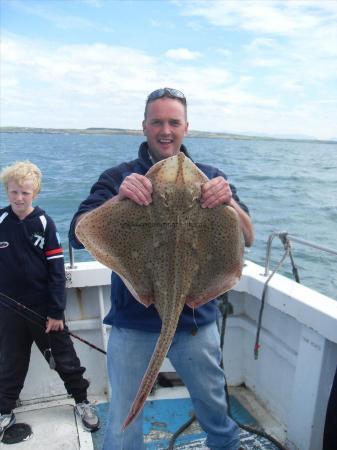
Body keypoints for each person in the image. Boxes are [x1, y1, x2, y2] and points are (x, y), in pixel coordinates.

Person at [69, 87, 254, 450]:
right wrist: (119, 199)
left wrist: (229, 203)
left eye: (174, 122)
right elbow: (79, 233)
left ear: (186, 127)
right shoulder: (118, 177)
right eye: (157, 122)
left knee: (214, 406)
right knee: (124, 417)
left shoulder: (212, 176)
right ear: (144, 126)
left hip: (196, 322)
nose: (165, 130)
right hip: (133, 322)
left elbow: (247, 237)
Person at [0, 161, 100, 441]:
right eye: (14, 192)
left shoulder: (44, 223)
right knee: (10, 363)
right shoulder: (1, 222)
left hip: (45, 311)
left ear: (36, 194)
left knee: (65, 360)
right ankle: (4, 410)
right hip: (8, 311)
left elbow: (57, 272)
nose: (19, 198)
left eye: (25, 193)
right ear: (7, 192)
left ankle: (81, 401)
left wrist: (56, 312)